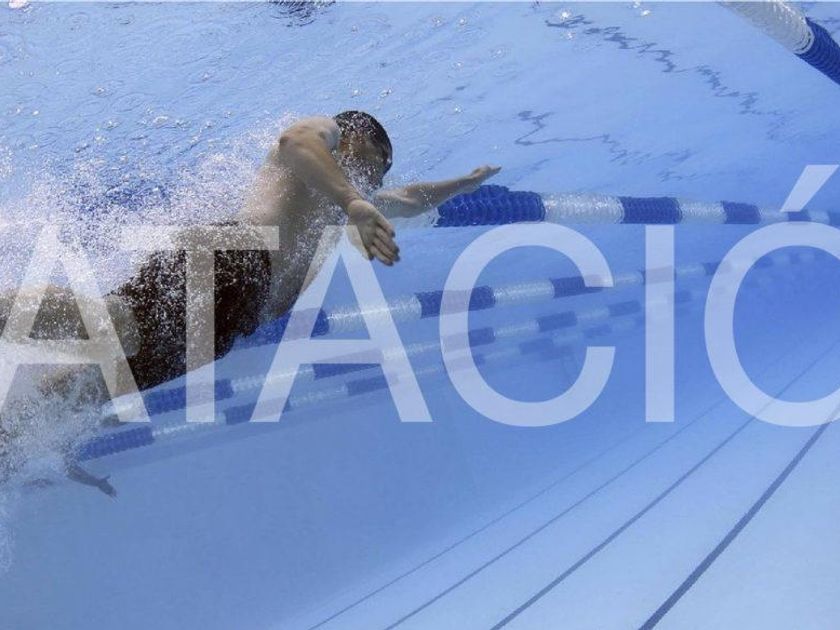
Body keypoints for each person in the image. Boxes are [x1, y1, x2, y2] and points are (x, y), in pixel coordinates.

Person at [0, 110, 502, 496]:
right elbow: (295, 142)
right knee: (115, 324)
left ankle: (9, 440)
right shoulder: (322, 143)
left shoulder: (343, 201)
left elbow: (411, 199)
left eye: (374, 177)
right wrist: (353, 200)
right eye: (365, 164)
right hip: (233, 261)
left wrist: (464, 183)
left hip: (232, 321)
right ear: (346, 138)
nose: (366, 180)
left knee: (97, 384)